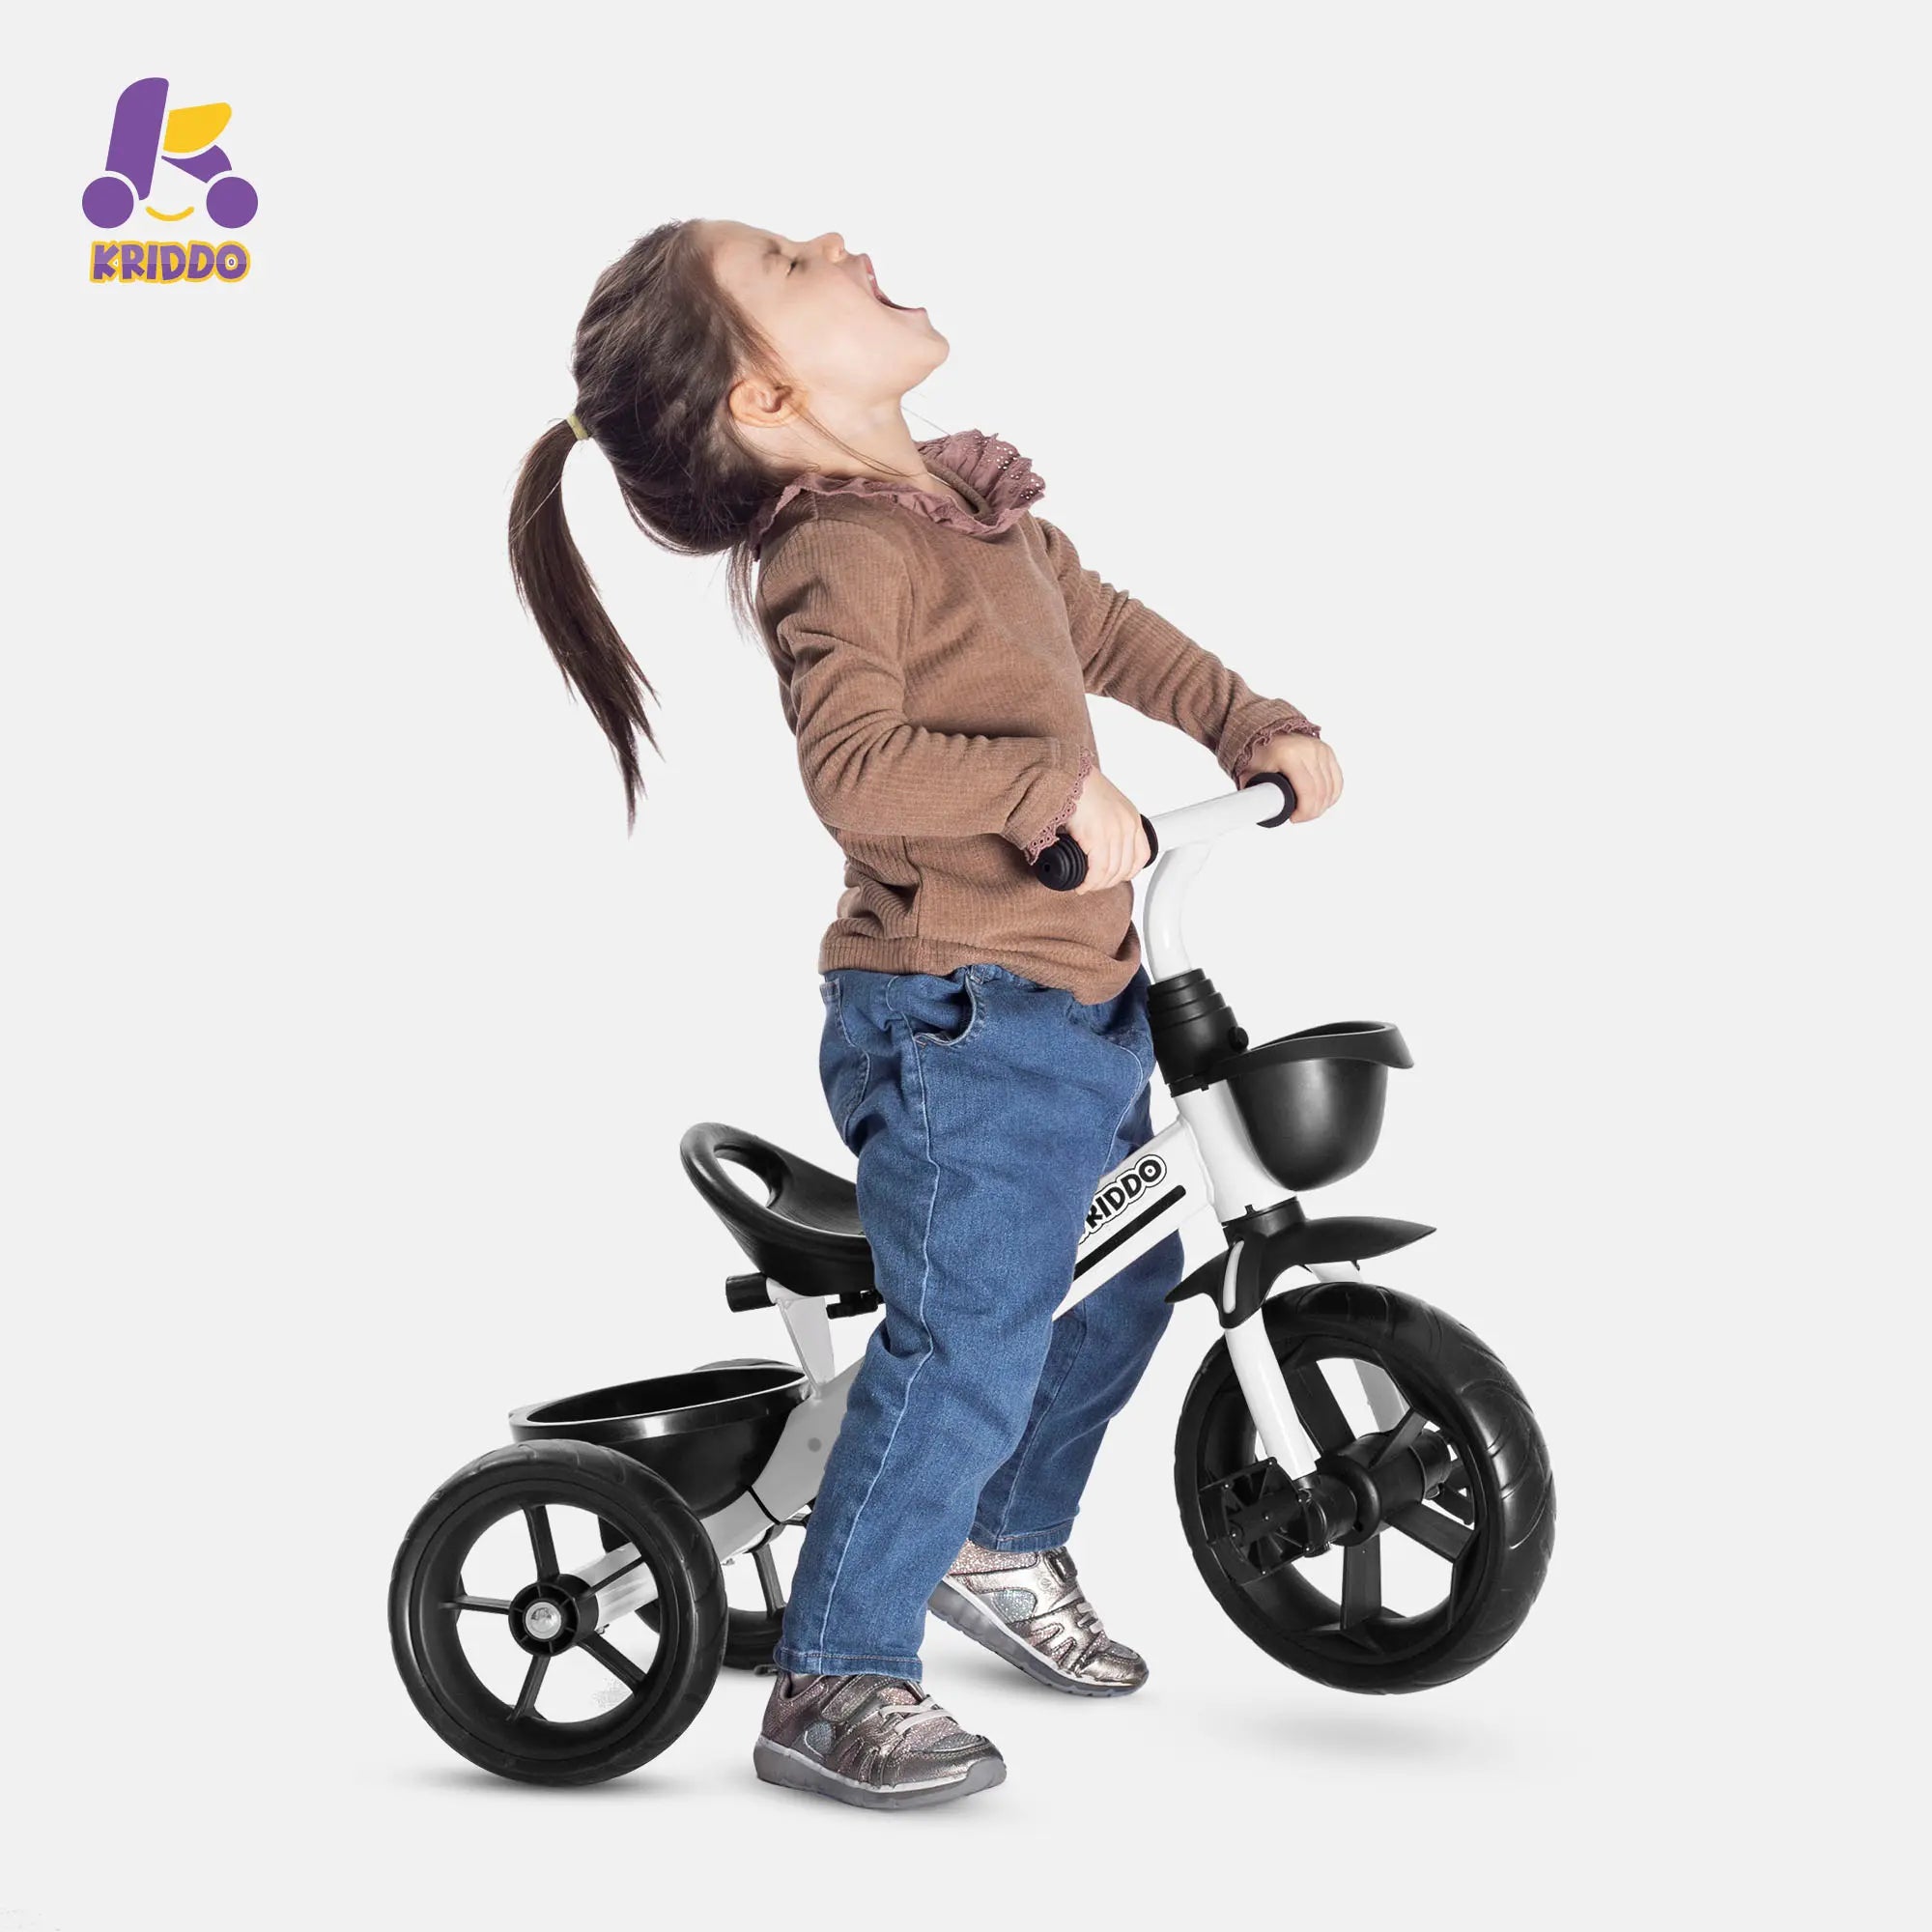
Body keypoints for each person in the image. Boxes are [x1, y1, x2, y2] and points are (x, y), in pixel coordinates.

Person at [507, 218, 1343, 1810]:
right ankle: (836, 1674)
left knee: (1116, 1282)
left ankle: (996, 1538)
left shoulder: (983, 518)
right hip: (953, 1008)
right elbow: (858, 772)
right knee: (971, 1337)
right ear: (763, 399)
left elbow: (1118, 639)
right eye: (785, 257)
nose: (837, 238)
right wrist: (1044, 790)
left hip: (1080, 986)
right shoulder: (837, 550)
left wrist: (1258, 726)